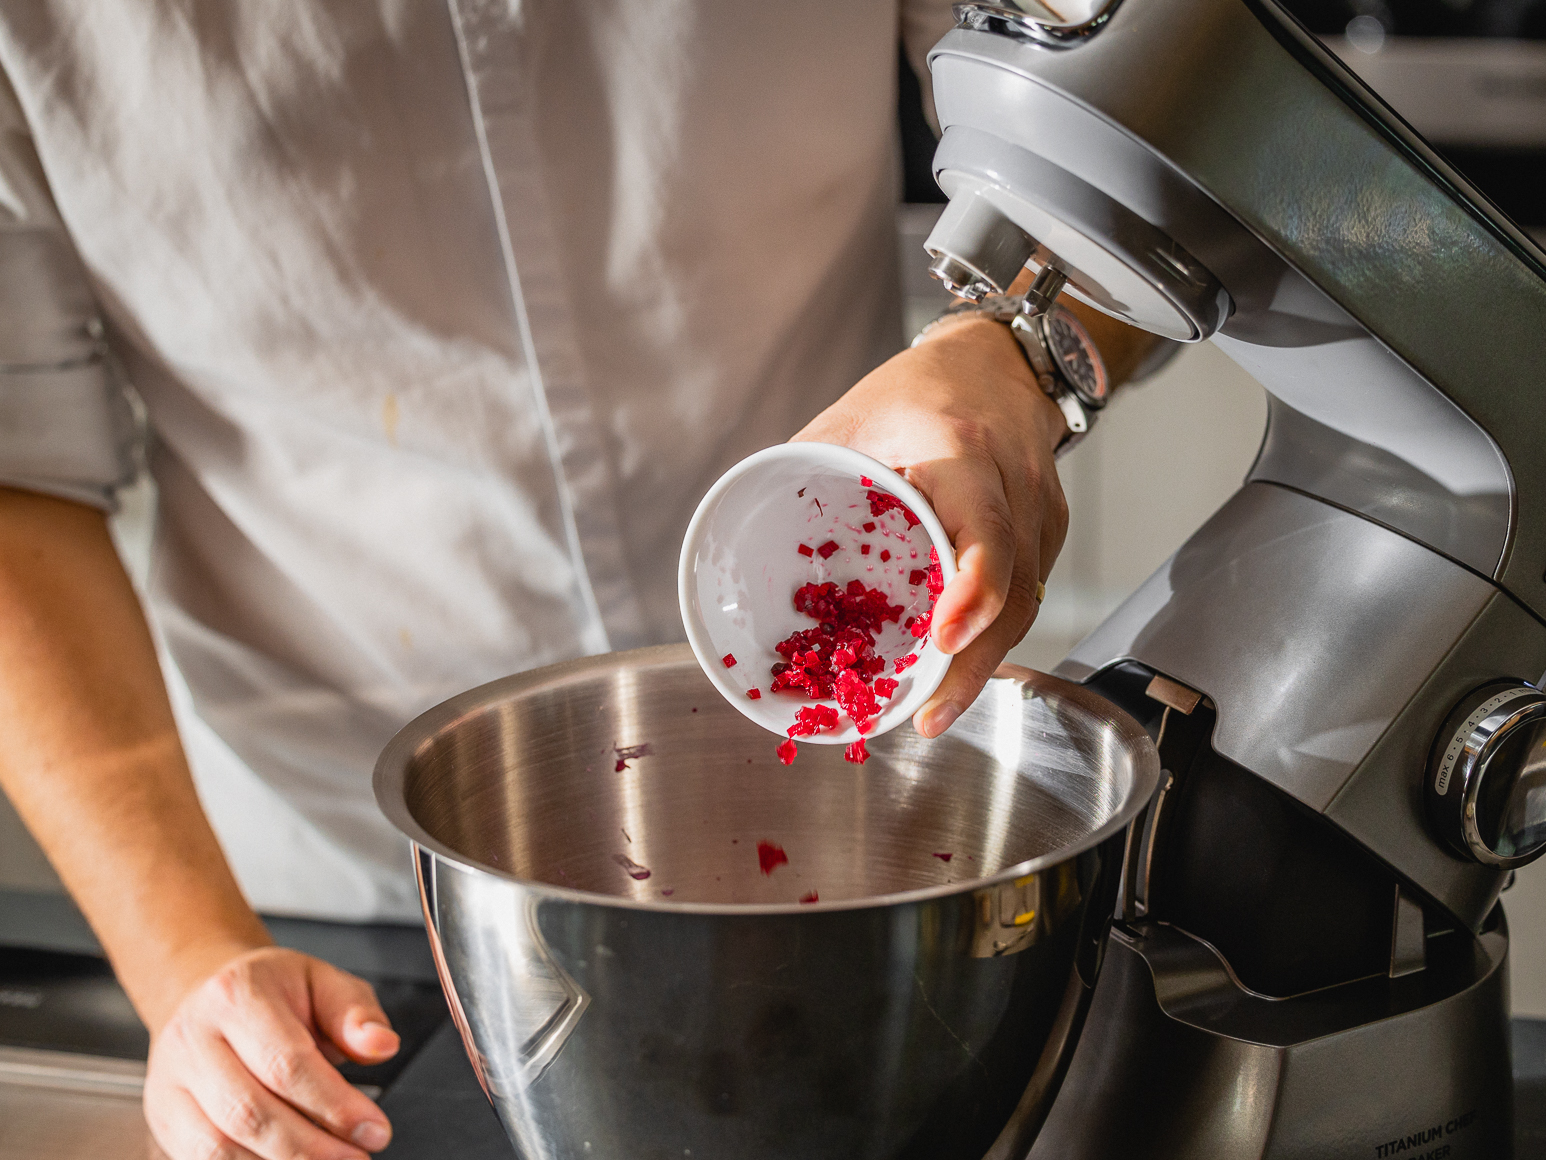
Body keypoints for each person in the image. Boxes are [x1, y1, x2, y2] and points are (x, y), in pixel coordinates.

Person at [0, 4, 1162, 1159]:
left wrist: (1016, 350)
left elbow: (1145, 107)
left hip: (870, 846)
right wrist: (189, 953)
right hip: (342, 885)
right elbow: (16, 476)